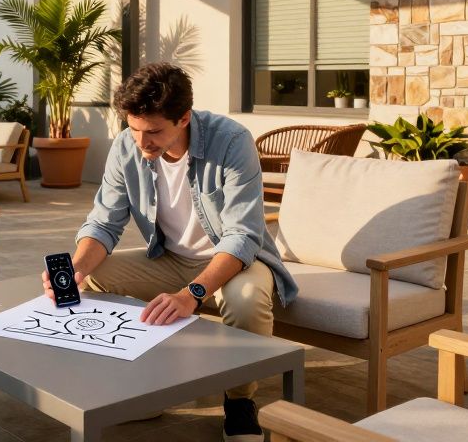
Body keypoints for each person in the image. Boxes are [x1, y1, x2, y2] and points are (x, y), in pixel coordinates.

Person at [41, 62, 297, 442]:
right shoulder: (127, 146)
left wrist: (192, 294)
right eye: (134, 129)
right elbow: (104, 223)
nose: (142, 142)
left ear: (184, 118)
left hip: (235, 262)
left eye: (154, 132)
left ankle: (240, 400)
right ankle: (149, 384)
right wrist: (75, 269)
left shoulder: (231, 141)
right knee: (93, 276)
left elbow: (242, 236)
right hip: (170, 259)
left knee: (246, 301)